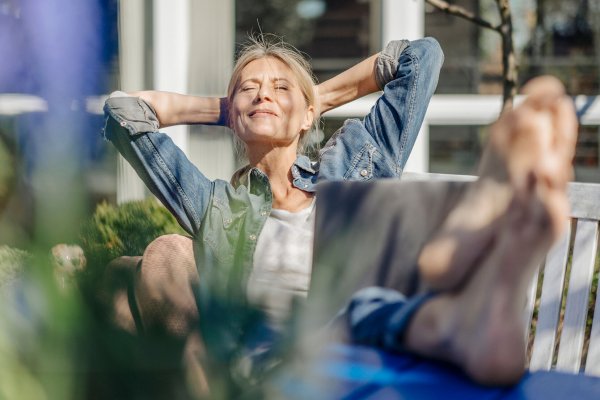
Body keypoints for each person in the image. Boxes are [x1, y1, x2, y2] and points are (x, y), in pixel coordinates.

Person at [102, 32, 578, 396]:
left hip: (358, 339)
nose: (263, 95)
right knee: (360, 310)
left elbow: (423, 56)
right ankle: (458, 301)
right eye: (249, 90)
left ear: (310, 115)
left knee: (366, 306)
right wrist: (236, 108)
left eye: (279, 88)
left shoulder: (354, 163)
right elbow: (124, 112)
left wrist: (315, 99)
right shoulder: (213, 202)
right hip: (267, 358)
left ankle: (466, 308)